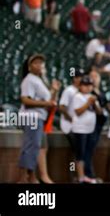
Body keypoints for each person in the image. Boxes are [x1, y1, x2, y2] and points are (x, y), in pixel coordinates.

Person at [17, 54, 60, 183]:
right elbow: (25, 100)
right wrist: (46, 104)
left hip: (39, 117)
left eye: (41, 63)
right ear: (29, 67)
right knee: (31, 146)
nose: (39, 65)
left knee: (36, 147)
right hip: (31, 117)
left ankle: (31, 177)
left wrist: (54, 91)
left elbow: (50, 102)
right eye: (35, 63)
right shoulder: (29, 79)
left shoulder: (39, 80)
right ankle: (23, 179)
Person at [71, 76, 102, 183]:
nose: (87, 88)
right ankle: (80, 177)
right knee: (80, 153)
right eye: (85, 85)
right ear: (80, 86)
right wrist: (88, 103)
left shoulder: (92, 97)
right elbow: (78, 112)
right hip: (80, 129)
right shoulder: (77, 96)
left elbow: (99, 112)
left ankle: (85, 175)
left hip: (90, 129)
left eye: (89, 85)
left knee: (87, 153)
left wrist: (95, 103)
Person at [84, 68, 108, 182]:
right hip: (89, 125)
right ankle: (87, 174)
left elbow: (105, 106)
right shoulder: (88, 92)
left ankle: (89, 173)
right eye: (91, 77)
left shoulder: (100, 92)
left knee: (91, 149)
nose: (94, 79)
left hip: (98, 125)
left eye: (96, 76)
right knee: (87, 149)